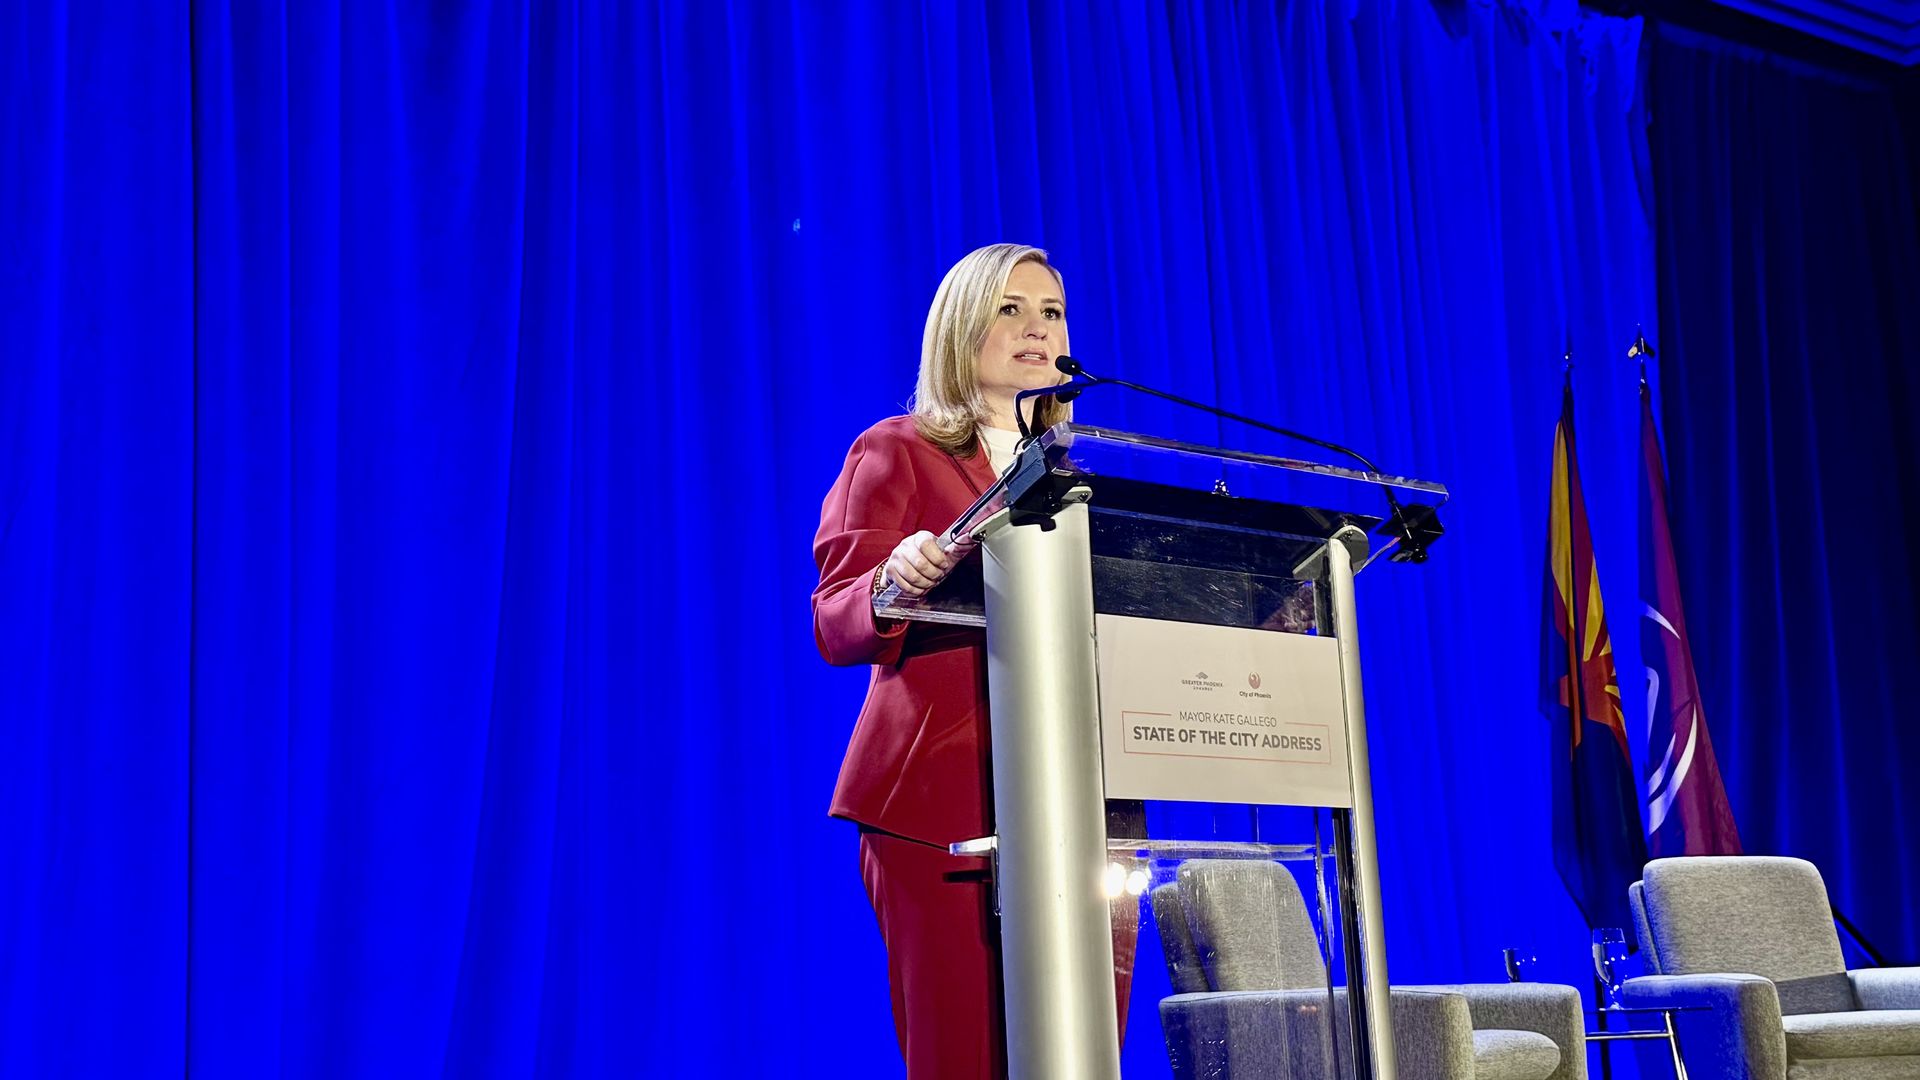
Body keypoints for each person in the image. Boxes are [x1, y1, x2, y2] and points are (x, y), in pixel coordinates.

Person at [812, 244, 1085, 1079]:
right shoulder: (897, 449)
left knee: (1078, 1050)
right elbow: (834, 617)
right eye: (1011, 309)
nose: (1036, 328)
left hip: (1081, 806)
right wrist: (892, 578)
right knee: (963, 1056)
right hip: (940, 804)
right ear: (961, 326)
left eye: (1051, 312)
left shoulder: (1078, 477)